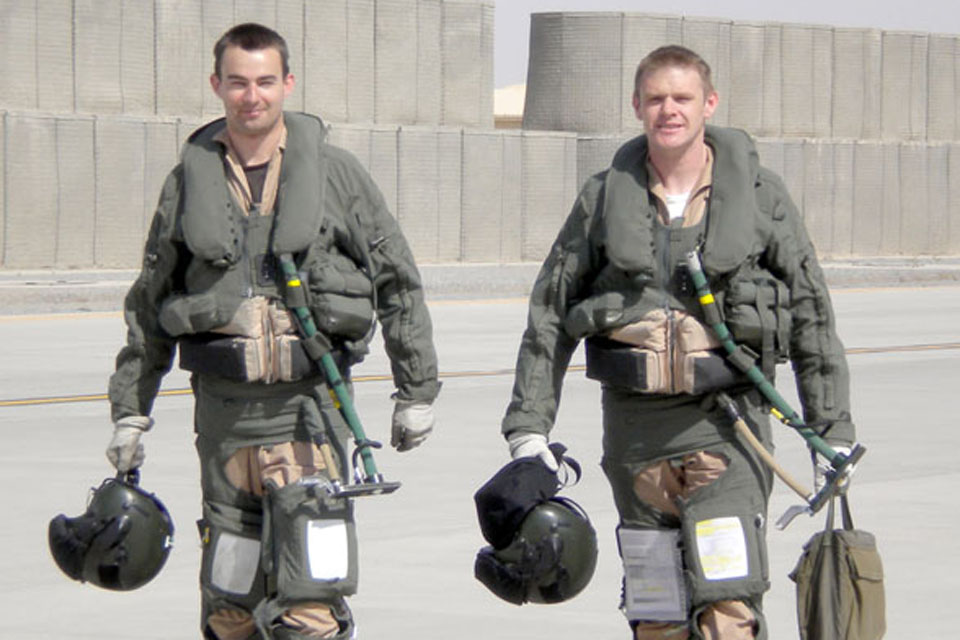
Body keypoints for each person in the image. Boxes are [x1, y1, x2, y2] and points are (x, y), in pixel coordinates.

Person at [500, 45, 856, 639]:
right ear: (637, 106)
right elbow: (550, 313)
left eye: (683, 98)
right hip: (636, 442)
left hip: (727, 434)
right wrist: (529, 427)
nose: (670, 110)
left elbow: (813, 318)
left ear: (708, 104)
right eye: (657, 98)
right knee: (657, 614)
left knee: (728, 609)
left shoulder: (762, 198)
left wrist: (832, 433)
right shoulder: (601, 200)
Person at [105, 23, 440, 640]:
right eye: (237, 82)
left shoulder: (338, 176)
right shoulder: (186, 185)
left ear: (287, 84)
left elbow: (397, 280)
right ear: (217, 86)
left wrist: (415, 390)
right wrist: (131, 410)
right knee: (229, 610)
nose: (250, 96)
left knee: (309, 610)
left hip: (308, 418)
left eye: (264, 81)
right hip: (227, 429)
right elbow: (149, 302)